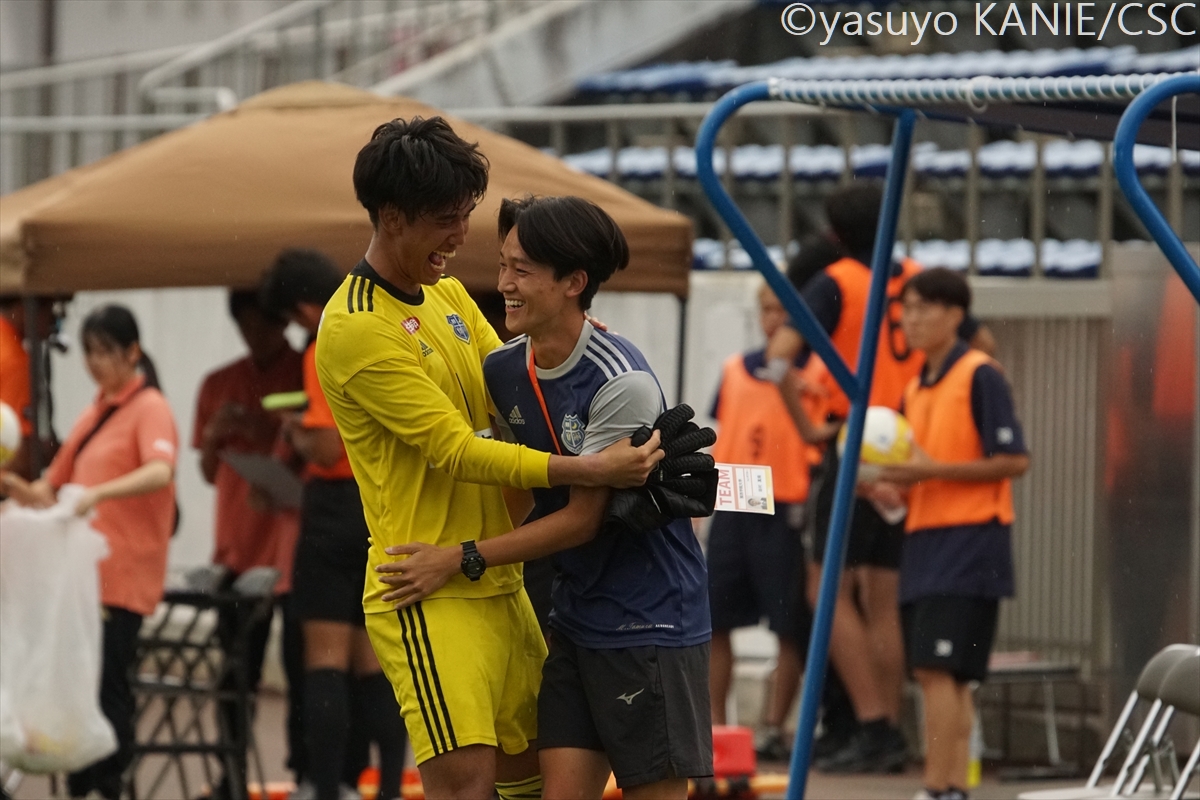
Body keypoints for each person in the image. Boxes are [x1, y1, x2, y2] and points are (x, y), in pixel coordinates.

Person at [314, 118, 669, 800]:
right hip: (427, 586)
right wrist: (586, 470)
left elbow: (514, 390)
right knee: (467, 788)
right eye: (446, 219)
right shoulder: (355, 327)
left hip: (499, 579)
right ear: (393, 216)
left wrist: (586, 357)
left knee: (541, 783)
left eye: (465, 215)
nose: (460, 237)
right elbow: (456, 449)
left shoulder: (448, 295)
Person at [376, 195, 714, 798]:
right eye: (503, 265)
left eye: (522, 270)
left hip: (650, 620)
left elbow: (582, 521)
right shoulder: (504, 369)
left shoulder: (620, 381)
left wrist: (461, 558)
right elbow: (515, 484)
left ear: (573, 283)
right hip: (576, 617)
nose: (504, 283)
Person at [762, 183, 991, 772]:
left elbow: (778, 356)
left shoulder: (837, 280)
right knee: (883, 595)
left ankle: (874, 724)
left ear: (836, 232)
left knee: (826, 590)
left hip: (855, 439)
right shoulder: (917, 278)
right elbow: (983, 346)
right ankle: (887, 726)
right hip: (906, 442)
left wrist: (807, 426)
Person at [1, 304, 177, 800]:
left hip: (122, 575)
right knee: (77, 683)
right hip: (80, 580)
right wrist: (11, 486)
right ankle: (82, 786)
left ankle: (110, 786)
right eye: (89, 352)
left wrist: (98, 494)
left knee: (108, 685)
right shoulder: (94, 411)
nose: (95, 363)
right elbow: (50, 488)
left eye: (105, 352)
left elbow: (161, 471)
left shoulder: (150, 408)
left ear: (132, 353)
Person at [873, 268, 1030, 800]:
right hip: (924, 537)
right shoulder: (915, 386)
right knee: (945, 675)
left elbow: (1014, 459)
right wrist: (892, 489)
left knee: (937, 669)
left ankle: (939, 787)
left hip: (971, 538)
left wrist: (930, 471)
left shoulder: (980, 374)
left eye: (923, 307)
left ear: (955, 315)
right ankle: (952, 787)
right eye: (906, 308)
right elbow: (918, 468)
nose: (911, 319)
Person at [258, 250, 407, 800]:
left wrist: (295, 431)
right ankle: (388, 788)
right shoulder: (381, 329)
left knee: (325, 660)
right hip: (382, 504)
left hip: (333, 509)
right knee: (375, 662)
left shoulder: (326, 341)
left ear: (303, 307)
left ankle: (326, 788)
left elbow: (325, 447)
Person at [706, 280, 833, 760]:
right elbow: (724, 430)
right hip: (736, 494)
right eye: (766, 310)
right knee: (715, 618)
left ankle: (774, 727)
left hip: (786, 499)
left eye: (782, 310)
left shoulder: (817, 371)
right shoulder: (735, 368)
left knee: (787, 623)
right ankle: (716, 727)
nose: (773, 320)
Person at [193, 290, 307, 796]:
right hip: (235, 550)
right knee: (235, 674)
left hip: (292, 549)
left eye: (265, 325)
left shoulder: (304, 371)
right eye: (246, 326)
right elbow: (207, 471)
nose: (256, 336)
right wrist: (215, 435)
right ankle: (231, 776)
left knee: (304, 673)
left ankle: (306, 774)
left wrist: (260, 430)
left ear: (284, 323)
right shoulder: (218, 383)